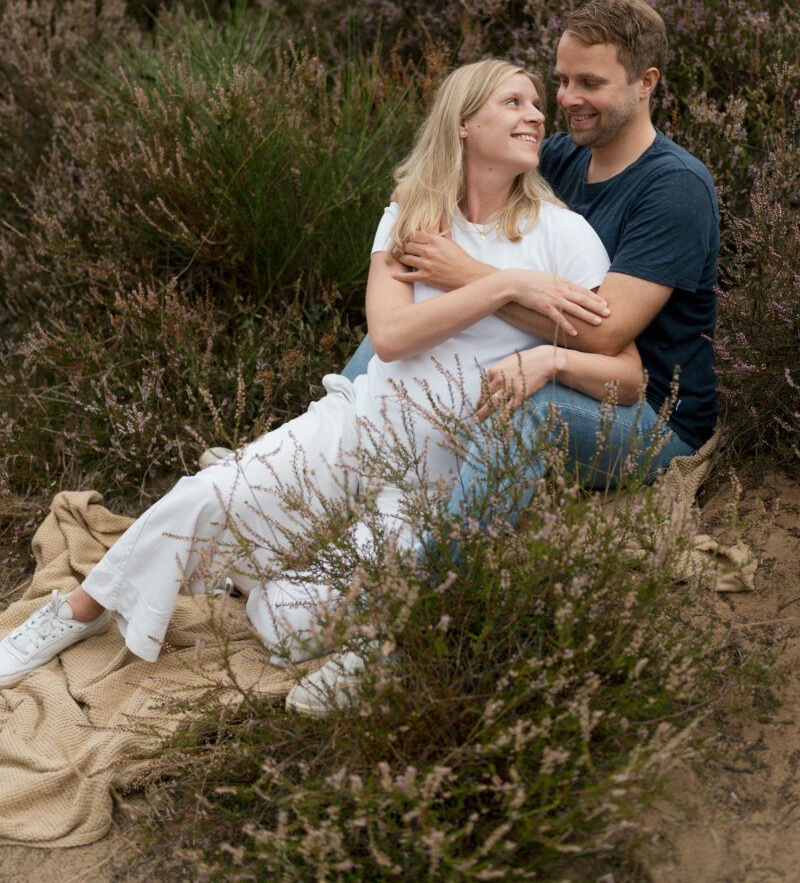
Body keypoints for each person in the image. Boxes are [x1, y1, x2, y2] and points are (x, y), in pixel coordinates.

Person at [0, 58, 642, 710]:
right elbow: (390, 336)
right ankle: (83, 610)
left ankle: (254, 581)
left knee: (295, 626)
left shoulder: (566, 237)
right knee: (206, 495)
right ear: (464, 124)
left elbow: (628, 373)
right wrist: (501, 282)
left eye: (537, 103)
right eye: (514, 102)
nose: (537, 114)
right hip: (359, 428)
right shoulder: (413, 216)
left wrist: (550, 361)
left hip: (438, 474)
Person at [344, 0, 719, 523]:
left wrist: (469, 278)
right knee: (402, 329)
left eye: (590, 83)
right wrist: (413, 197)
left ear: (646, 83)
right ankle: (319, 450)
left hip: (643, 413)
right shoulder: (562, 156)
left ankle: (434, 558)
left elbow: (602, 334)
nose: (567, 99)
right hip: (548, 361)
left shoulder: (674, 188)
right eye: (563, 80)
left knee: (528, 413)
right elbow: (435, 174)